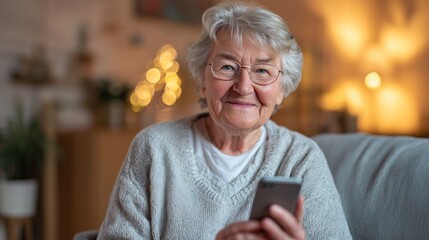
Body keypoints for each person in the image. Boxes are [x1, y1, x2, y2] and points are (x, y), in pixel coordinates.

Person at [97, 2, 351, 239]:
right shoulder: (154, 149)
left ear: (281, 90)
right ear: (202, 82)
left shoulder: (301, 159)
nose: (243, 87)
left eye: (262, 71)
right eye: (227, 67)